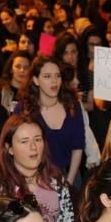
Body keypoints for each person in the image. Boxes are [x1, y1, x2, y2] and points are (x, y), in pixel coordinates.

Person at [0, 114, 76, 222]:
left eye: (37, 139)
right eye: (24, 141)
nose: (33, 147)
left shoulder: (57, 182)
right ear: (9, 149)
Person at [20, 56, 85, 186]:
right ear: (36, 80)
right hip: (36, 178)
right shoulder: (25, 108)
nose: (54, 81)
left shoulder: (72, 105)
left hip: (69, 175)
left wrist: (69, 182)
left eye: (58, 76)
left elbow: (78, 146)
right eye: (47, 76)